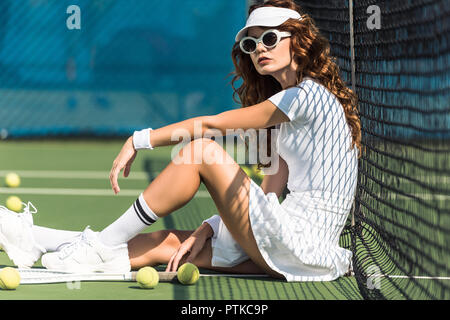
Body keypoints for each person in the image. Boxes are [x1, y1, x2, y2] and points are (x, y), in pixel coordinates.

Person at [0, 0, 361, 282]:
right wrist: (210, 226)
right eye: (251, 43)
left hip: (301, 241)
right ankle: (35, 239)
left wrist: (141, 139)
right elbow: (268, 194)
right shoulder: (282, 114)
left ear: (297, 41)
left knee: (201, 151)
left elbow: (212, 124)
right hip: (296, 253)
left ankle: (99, 244)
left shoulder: (308, 96)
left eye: (270, 38)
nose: (258, 49)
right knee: (166, 244)